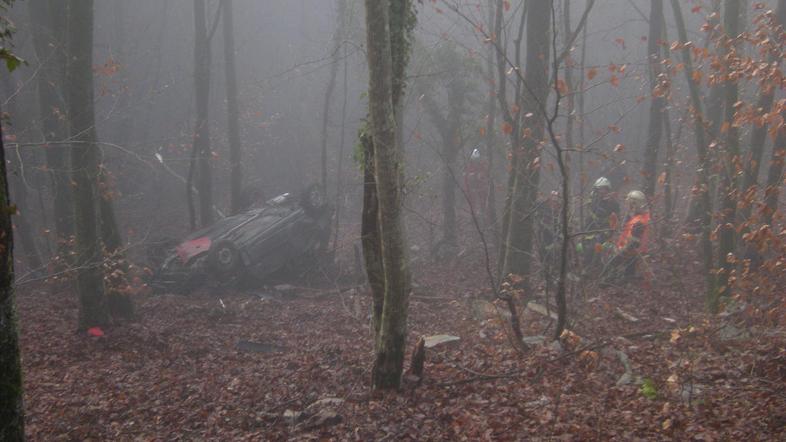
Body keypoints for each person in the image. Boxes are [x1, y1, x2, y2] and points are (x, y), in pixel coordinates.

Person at [602, 190, 651, 284]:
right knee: (628, 276)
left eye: (629, 204)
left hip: (630, 252)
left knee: (610, 266)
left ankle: (609, 283)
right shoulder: (641, 217)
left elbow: (634, 243)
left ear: (635, 204)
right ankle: (626, 280)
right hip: (634, 252)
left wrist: (619, 252)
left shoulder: (639, 222)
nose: (627, 206)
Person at [582, 177, 620, 272]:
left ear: (608, 189)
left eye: (604, 189)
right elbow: (589, 217)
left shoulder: (613, 203)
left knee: (597, 248)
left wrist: (610, 232)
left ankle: (597, 270)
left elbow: (616, 219)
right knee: (584, 247)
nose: (602, 191)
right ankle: (586, 267)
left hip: (605, 230)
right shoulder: (592, 201)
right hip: (590, 229)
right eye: (600, 189)